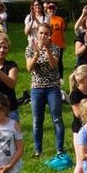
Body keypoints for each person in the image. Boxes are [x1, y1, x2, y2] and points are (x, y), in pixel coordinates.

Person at [25, 23, 65, 158]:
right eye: (41, 33)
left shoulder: (55, 47)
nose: (43, 36)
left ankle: (59, 149)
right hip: (37, 88)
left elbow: (54, 65)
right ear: (37, 33)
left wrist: (47, 49)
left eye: (46, 33)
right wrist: (36, 53)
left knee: (57, 119)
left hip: (52, 87)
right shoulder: (30, 48)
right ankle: (38, 150)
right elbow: (29, 68)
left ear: (50, 35)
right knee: (37, 120)